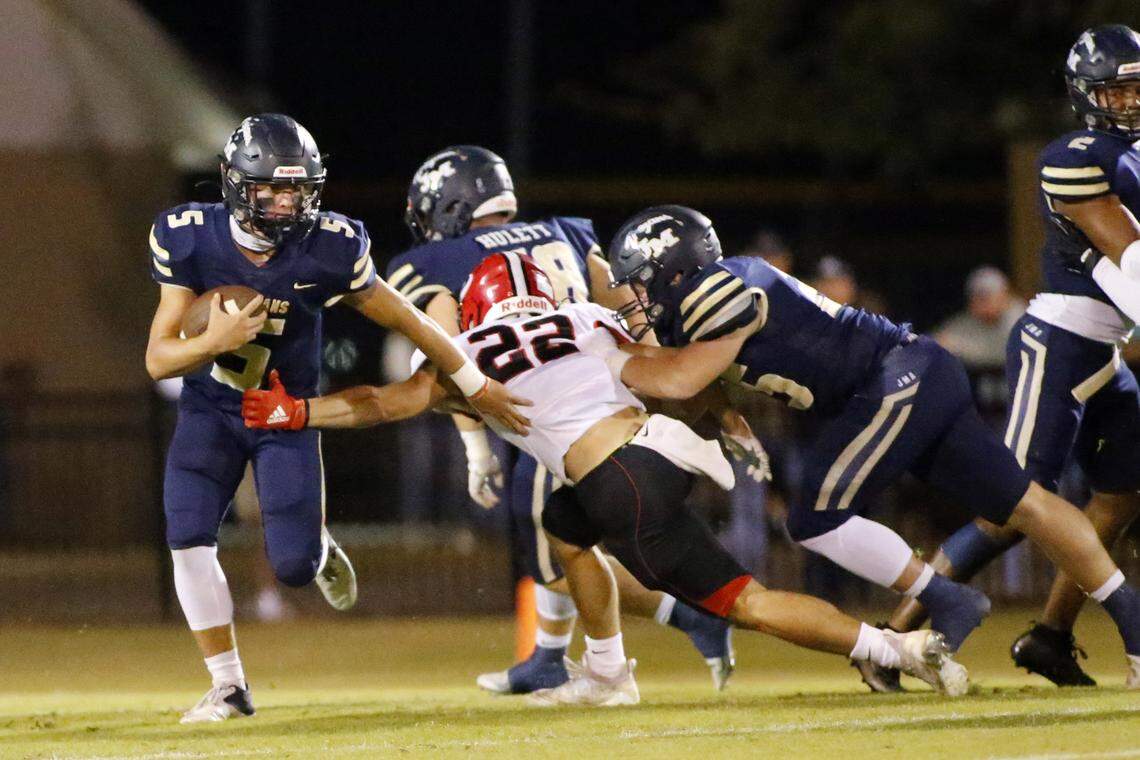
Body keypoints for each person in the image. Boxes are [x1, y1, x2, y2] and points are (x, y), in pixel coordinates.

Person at [243, 250, 970, 704]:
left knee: (745, 604)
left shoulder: (467, 349)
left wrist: (296, 413)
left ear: (477, 305)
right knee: (563, 525)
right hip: (655, 452)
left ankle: (895, 648)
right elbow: (663, 375)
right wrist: (724, 420)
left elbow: (382, 402)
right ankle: (607, 669)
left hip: (619, 482)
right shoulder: (587, 316)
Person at [591, 205, 1140, 690]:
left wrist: (607, 358)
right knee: (1026, 503)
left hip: (889, 381)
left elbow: (680, 379)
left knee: (814, 518)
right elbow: (699, 380)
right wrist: (731, 419)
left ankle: (949, 600)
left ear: (676, 268)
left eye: (641, 282)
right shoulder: (710, 295)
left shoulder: (716, 289)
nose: (637, 298)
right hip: (916, 373)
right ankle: (1134, 627)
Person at [144, 115, 528, 724]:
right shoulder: (187, 236)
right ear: (235, 184)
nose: (285, 203)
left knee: (293, 566)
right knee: (186, 537)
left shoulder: (329, 245)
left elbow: (411, 322)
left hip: (286, 415)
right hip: (211, 409)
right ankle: (228, 686)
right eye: (270, 189)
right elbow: (158, 357)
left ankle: (318, 550)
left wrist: (477, 384)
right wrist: (211, 341)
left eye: (296, 190)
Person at [383, 146, 742, 693]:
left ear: (450, 206)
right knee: (564, 540)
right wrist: (660, 379)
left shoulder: (436, 262)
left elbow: (449, 353)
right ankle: (554, 655)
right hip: (610, 394)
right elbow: (627, 306)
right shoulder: (564, 232)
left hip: (554, 414)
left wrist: (474, 447)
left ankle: (680, 621)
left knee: (556, 548)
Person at [862, 25, 1140, 691]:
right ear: (1087, 95)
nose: (1130, 101)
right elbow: (1131, 257)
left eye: (1138, 88)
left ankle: (1048, 636)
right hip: (1061, 341)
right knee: (1016, 505)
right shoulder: (1076, 155)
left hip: (1108, 348)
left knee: (1120, 499)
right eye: (1118, 89)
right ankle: (891, 640)